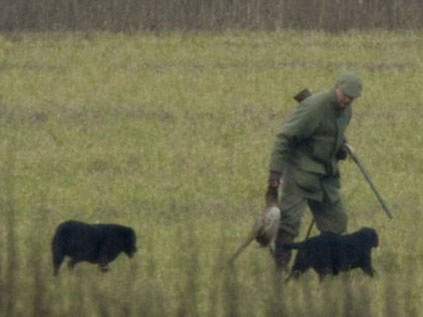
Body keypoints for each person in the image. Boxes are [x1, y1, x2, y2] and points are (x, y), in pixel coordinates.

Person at [266, 71, 362, 271]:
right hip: (300, 172)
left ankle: (328, 264)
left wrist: (342, 149)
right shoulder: (314, 107)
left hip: (326, 174)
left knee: (337, 222)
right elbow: (284, 138)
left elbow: (332, 137)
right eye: (344, 95)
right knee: (289, 223)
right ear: (336, 87)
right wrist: (275, 175)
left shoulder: (346, 111)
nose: (346, 100)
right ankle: (281, 267)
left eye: (351, 98)